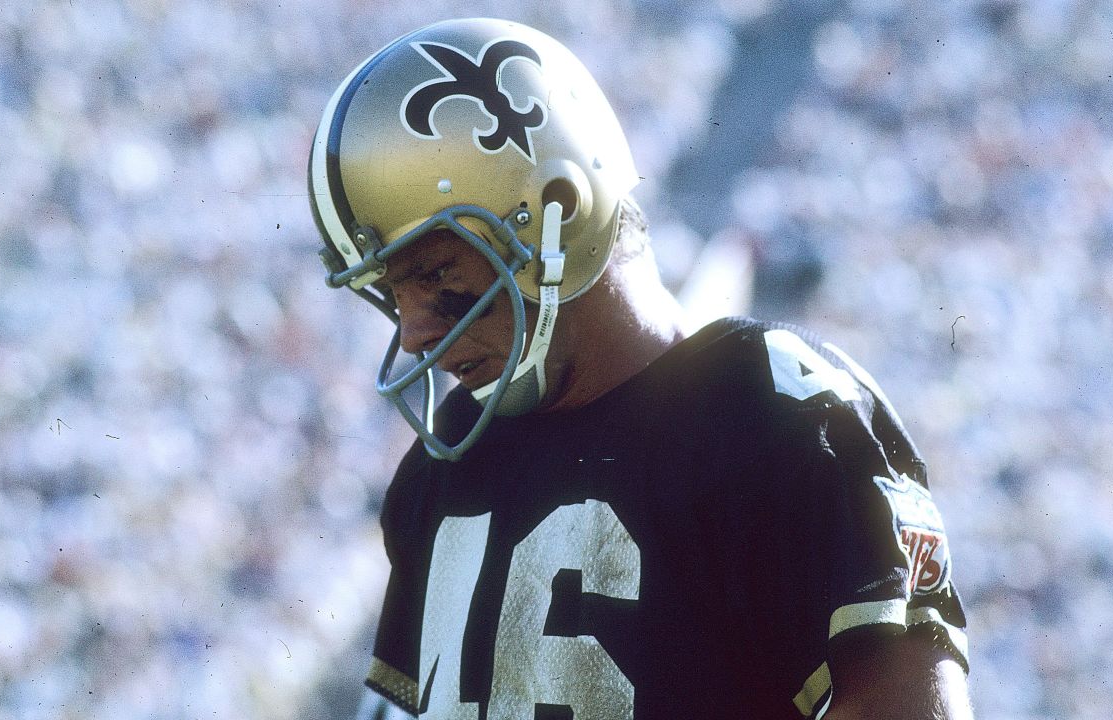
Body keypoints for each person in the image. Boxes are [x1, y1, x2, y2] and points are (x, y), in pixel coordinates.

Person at [309, 17, 971, 719]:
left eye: (435, 272)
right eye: (391, 293)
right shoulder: (445, 464)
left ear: (556, 211)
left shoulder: (775, 410)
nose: (412, 334)